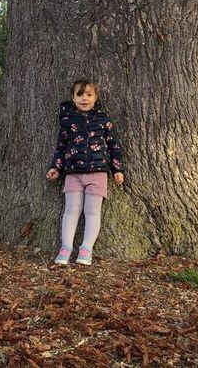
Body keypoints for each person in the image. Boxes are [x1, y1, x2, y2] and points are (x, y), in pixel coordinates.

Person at [46, 78, 124, 266]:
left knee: (92, 212)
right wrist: (55, 167)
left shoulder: (102, 119)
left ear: (95, 98)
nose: (84, 99)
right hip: (73, 173)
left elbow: (114, 145)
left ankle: (86, 249)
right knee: (71, 211)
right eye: (79, 94)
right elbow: (61, 146)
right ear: (73, 98)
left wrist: (117, 169)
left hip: (98, 174)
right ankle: (65, 247)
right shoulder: (67, 120)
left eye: (89, 95)